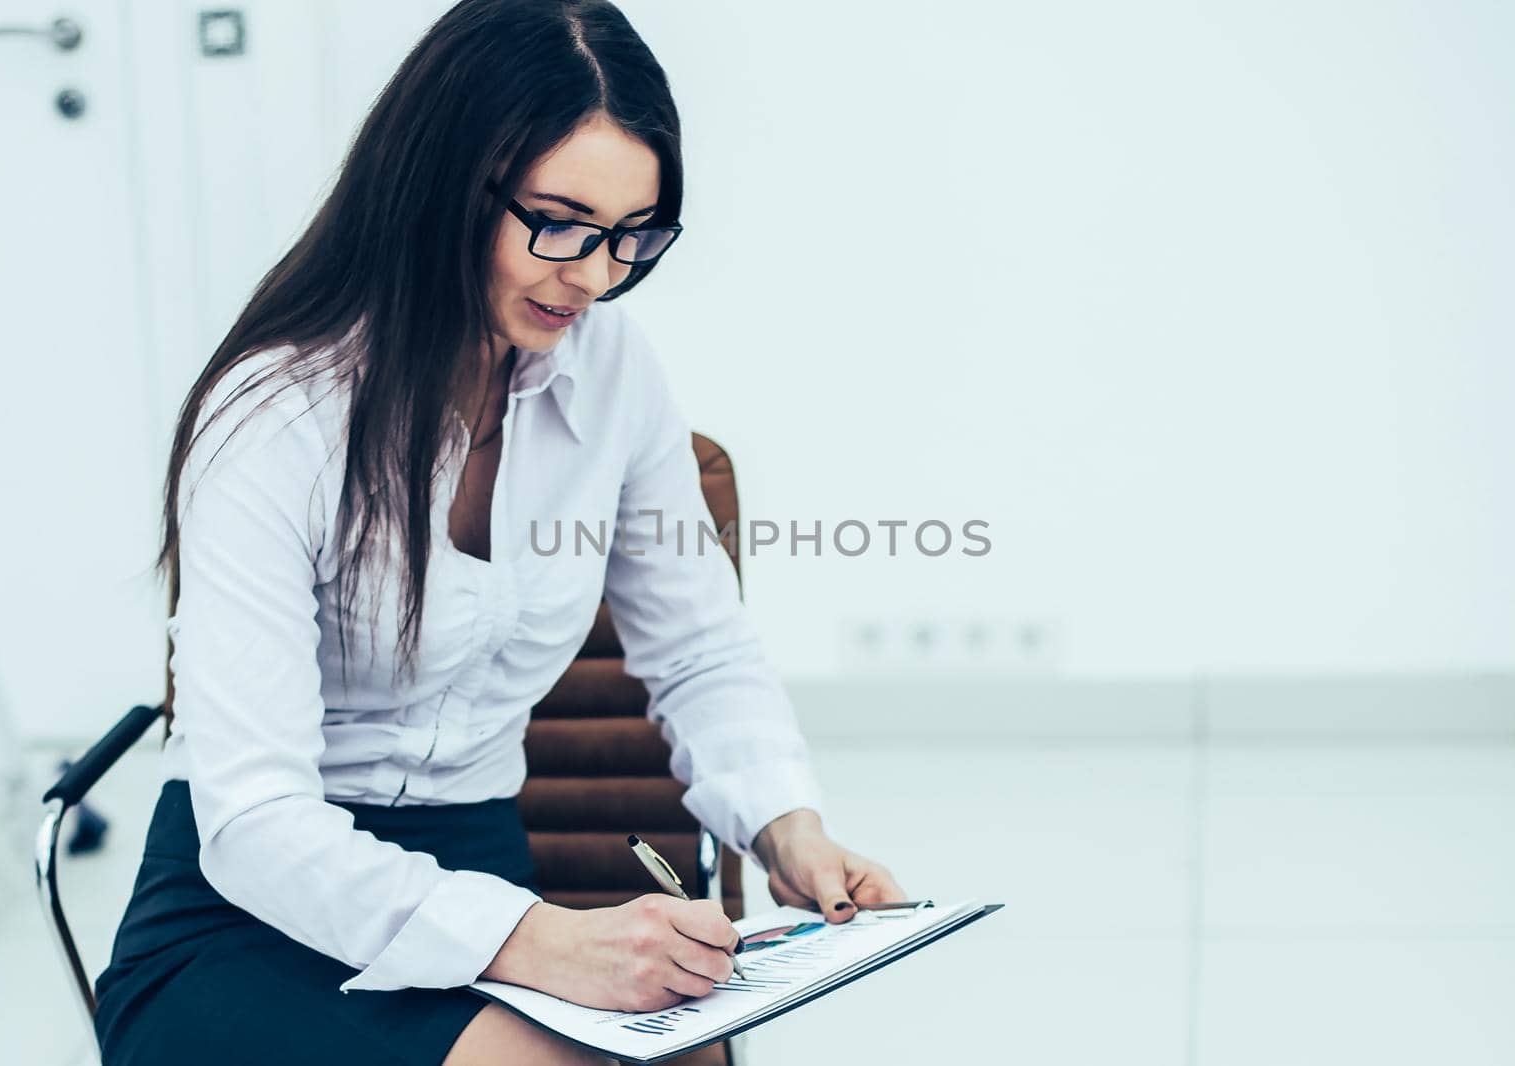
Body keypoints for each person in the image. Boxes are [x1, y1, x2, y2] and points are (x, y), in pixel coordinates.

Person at [91, 2, 906, 1064]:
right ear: (446, 183)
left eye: (632, 237)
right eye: (560, 223)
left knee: (684, 1049)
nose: (596, 274)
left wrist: (786, 824)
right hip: (245, 914)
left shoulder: (614, 373)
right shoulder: (277, 414)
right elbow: (251, 822)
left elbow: (699, 646)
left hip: (472, 867)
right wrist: (531, 940)